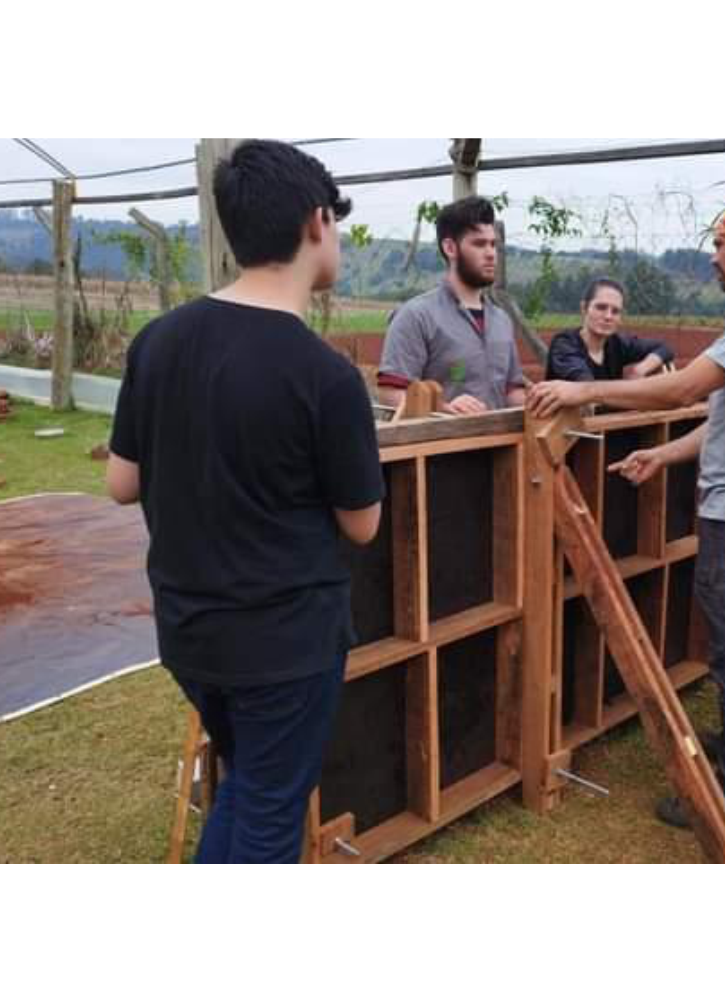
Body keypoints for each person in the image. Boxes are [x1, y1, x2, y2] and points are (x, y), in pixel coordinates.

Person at [105, 139, 384, 863]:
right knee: (266, 814)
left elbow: (120, 482)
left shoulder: (157, 342)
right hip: (285, 646)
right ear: (317, 221)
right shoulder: (324, 376)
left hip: (190, 633)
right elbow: (362, 523)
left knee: (248, 788)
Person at [529, 193, 725, 836]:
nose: (714, 255)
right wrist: (664, 455)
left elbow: (687, 389)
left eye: (722, 244)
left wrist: (586, 389)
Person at [376, 196, 528, 414]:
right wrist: (444, 410)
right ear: (450, 247)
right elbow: (390, 392)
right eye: (479, 244)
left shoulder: (501, 320)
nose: (491, 254)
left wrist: (545, 402)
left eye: (493, 244)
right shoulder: (416, 315)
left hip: (500, 446)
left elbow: (512, 392)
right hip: (438, 446)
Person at [544, 277, 674, 382]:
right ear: (584, 308)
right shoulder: (564, 344)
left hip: (606, 414)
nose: (608, 316)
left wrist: (639, 370)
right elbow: (586, 385)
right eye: (601, 307)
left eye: (615, 311)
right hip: (569, 414)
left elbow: (665, 348)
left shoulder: (617, 343)